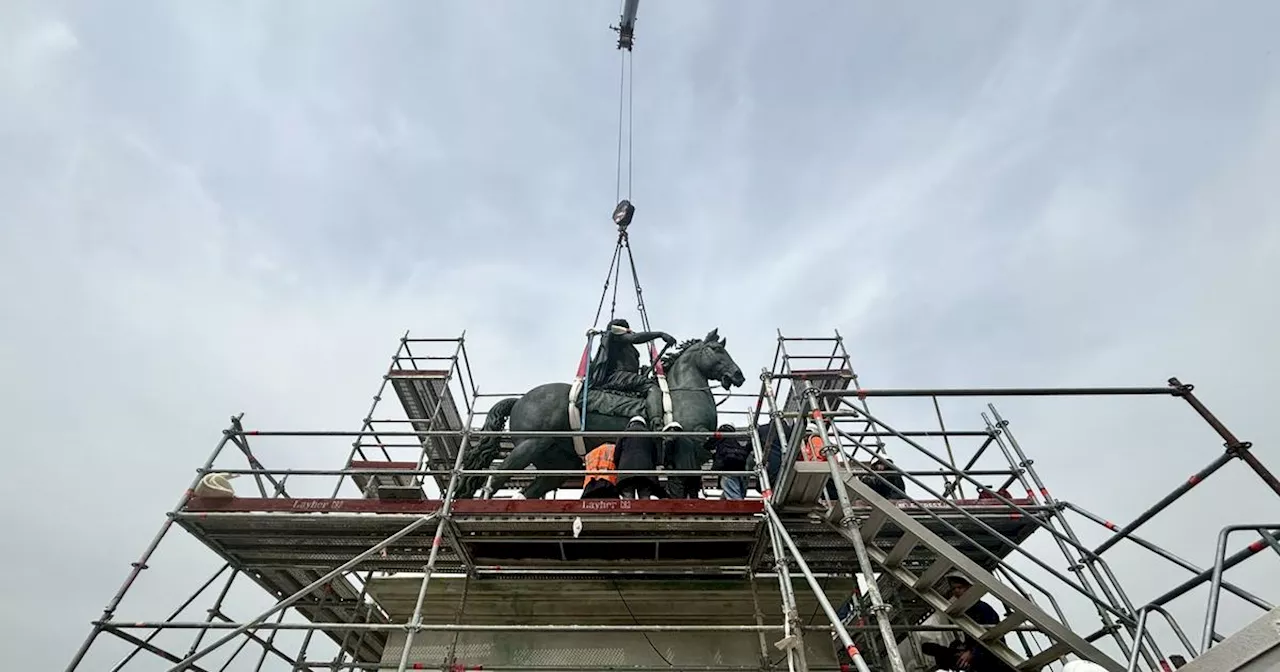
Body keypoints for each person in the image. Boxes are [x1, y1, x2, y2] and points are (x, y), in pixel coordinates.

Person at [920, 574, 1017, 672]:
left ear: (969, 588)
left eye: (960, 587)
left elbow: (992, 638)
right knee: (929, 647)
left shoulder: (982, 608)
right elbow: (971, 640)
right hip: (974, 653)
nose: (956, 591)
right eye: (954, 589)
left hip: (990, 656)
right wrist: (963, 649)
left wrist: (971, 653)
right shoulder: (965, 612)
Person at [588, 318, 677, 399]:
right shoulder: (615, 336)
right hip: (617, 376)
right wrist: (660, 334)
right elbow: (635, 338)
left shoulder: (626, 345)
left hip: (626, 377)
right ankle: (656, 417)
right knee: (651, 386)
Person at [615, 416, 662, 499]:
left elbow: (617, 455)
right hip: (646, 472)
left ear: (630, 424)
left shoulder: (623, 434)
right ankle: (646, 511)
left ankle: (628, 512)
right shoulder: (650, 435)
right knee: (644, 498)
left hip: (626, 472)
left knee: (628, 501)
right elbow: (655, 456)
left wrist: (619, 468)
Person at [707, 423, 751, 500]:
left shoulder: (721, 435)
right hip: (741, 469)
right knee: (734, 491)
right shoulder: (736, 439)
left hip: (727, 469)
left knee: (734, 496)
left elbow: (708, 445)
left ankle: (739, 511)